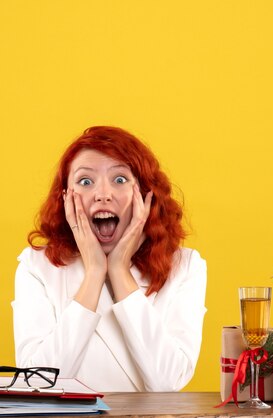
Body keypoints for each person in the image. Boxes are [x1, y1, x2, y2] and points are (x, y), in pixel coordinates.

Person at [12, 126, 207, 392]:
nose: (103, 194)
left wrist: (118, 271)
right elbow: (37, 384)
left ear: (146, 195)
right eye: (85, 181)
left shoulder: (186, 267)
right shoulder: (36, 267)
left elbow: (167, 384)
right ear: (66, 198)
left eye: (119, 180)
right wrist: (94, 273)